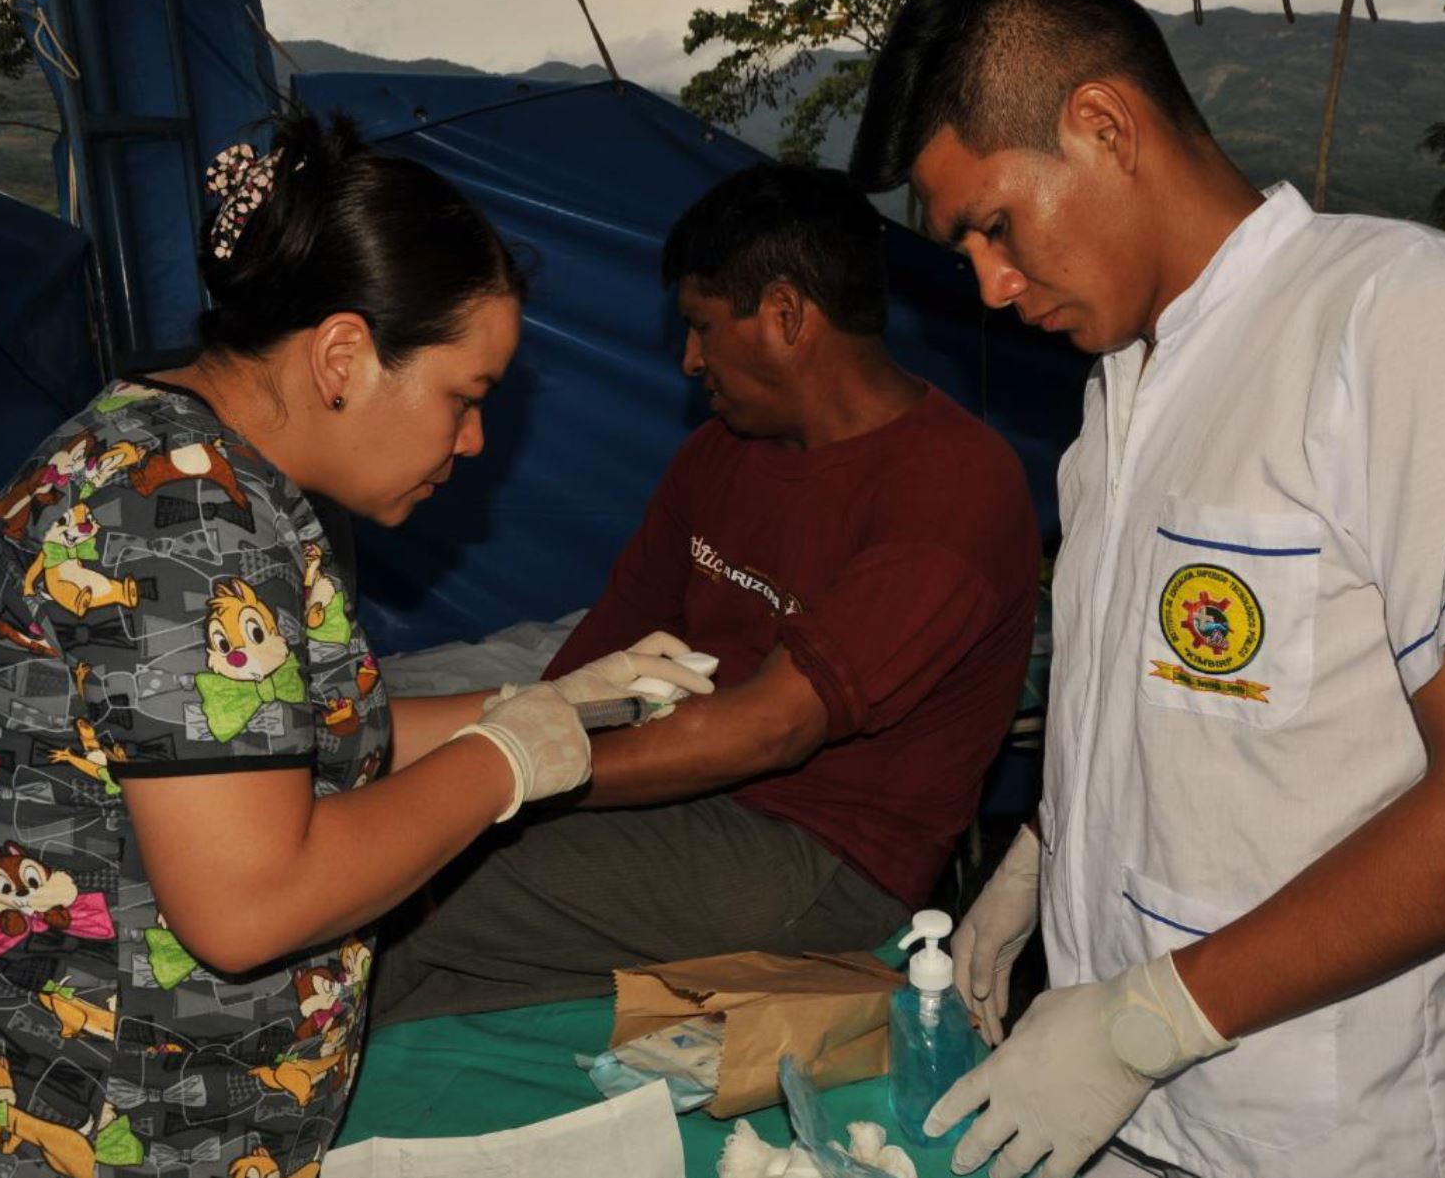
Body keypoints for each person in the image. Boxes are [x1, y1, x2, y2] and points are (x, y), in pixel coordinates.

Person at [0, 109, 711, 1177]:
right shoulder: (186, 519)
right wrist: (502, 764)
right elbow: (249, 904)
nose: (475, 438)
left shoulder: (173, 459)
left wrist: (543, 703)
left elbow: (255, 751)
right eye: (466, 395)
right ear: (344, 355)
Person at [847, 0, 1445, 1177]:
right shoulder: (1117, 406)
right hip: (1129, 1118)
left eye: (994, 224)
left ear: (1103, 126)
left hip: (1334, 1133)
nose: (989, 285)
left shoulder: (1412, 318)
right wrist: (1039, 862)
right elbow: (1174, 717)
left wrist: (1146, 1023)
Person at [368, 164, 1041, 1024]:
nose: (689, 362)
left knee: (407, 876)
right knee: (430, 937)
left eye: (701, 328)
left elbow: (773, 725)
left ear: (787, 316)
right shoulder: (721, 455)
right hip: (694, 802)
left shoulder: (951, 484)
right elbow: (601, 647)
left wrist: (507, 775)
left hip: (823, 856)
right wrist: (520, 737)